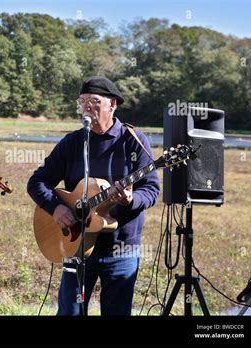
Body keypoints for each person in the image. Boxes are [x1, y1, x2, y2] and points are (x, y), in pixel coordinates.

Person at [27, 76, 160, 315]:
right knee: (70, 313)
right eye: (83, 101)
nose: (87, 107)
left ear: (113, 104)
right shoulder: (73, 142)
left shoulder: (134, 141)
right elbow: (36, 182)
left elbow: (151, 190)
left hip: (121, 249)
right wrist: (55, 207)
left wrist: (131, 200)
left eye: (95, 101)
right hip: (76, 244)